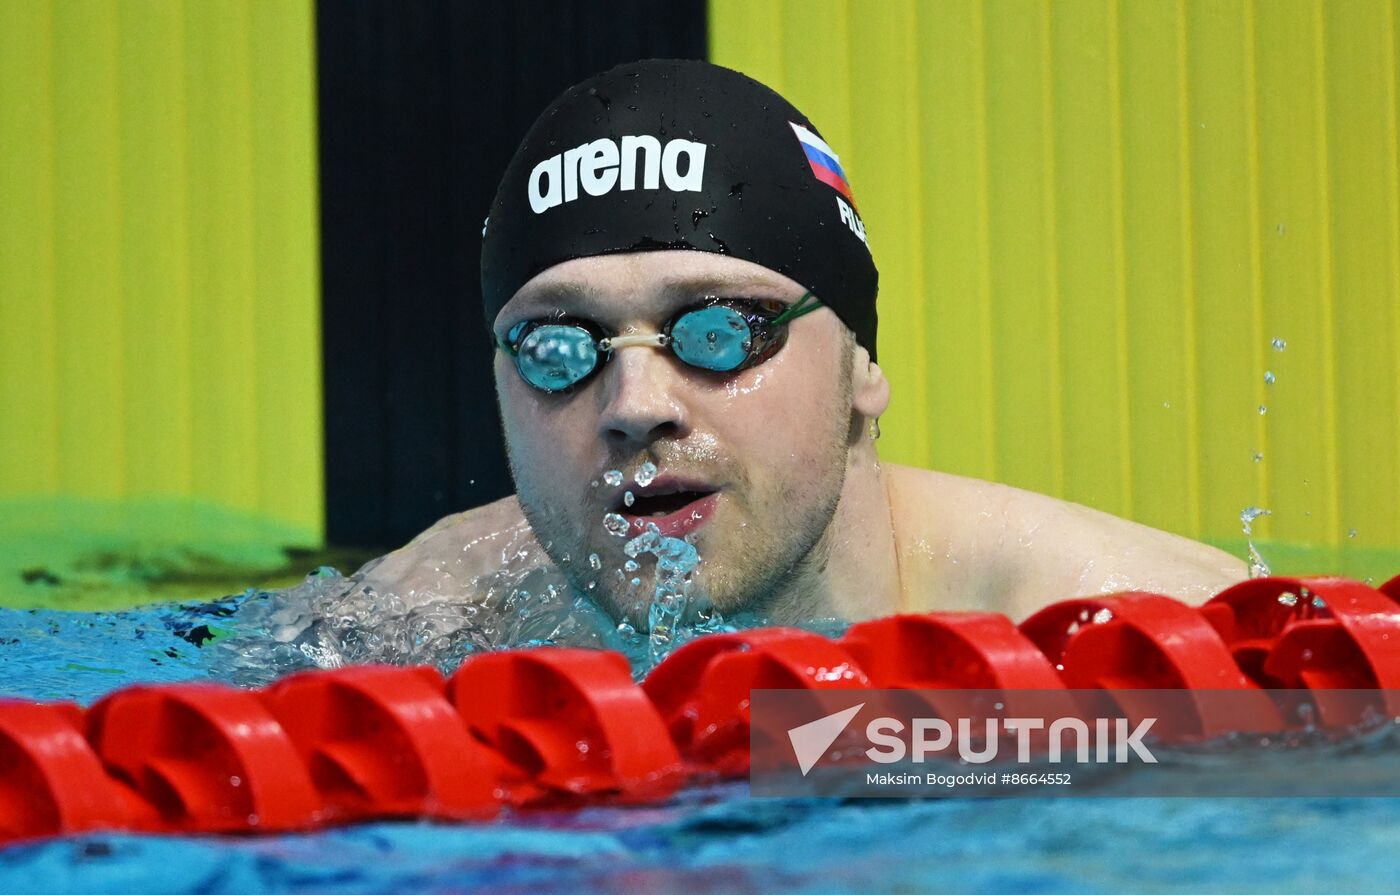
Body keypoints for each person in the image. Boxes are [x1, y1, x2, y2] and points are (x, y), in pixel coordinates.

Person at [357, 58, 1244, 629]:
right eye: (560, 347)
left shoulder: (1133, 633)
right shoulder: (437, 610)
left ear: (860, 363)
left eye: (718, 332)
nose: (634, 406)